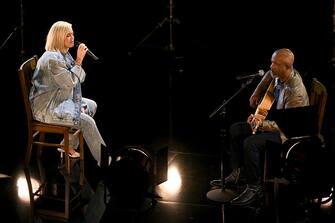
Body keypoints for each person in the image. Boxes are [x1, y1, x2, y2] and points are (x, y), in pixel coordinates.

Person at [211, 48, 310, 206]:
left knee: (250, 143)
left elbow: (286, 125)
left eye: (275, 64)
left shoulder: (296, 93)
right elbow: (268, 75)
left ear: (287, 68)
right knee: (235, 129)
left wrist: (260, 123)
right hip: (279, 122)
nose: (271, 67)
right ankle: (237, 172)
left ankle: (255, 188)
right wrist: (257, 92)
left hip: (287, 134)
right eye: (271, 62)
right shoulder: (278, 71)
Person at [29, 21, 106, 166]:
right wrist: (79, 60)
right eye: (68, 35)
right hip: (47, 108)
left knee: (91, 105)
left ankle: (68, 145)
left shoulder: (64, 54)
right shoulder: (51, 59)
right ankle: (105, 162)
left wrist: (77, 106)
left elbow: (79, 80)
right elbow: (70, 82)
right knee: (87, 122)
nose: (72, 38)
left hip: (60, 100)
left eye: (72, 34)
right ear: (58, 37)